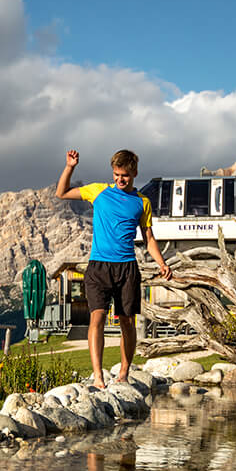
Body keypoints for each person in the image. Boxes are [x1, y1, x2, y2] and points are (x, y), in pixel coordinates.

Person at [56, 149, 172, 388]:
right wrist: (70, 167)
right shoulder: (98, 191)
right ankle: (98, 376)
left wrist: (162, 263)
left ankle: (124, 371)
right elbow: (62, 193)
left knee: (127, 322)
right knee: (96, 318)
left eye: (126, 175)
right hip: (98, 267)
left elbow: (149, 238)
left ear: (135, 173)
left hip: (127, 268)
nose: (121, 179)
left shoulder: (142, 202)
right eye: (117, 174)